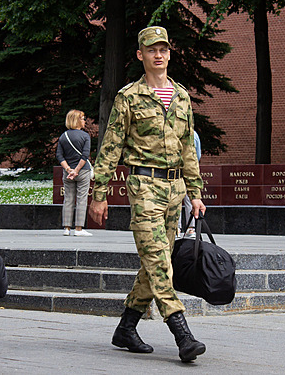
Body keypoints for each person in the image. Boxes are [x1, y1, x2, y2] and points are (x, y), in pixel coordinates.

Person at [88, 26, 207, 363]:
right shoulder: (129, 97)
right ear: (140, 54)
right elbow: (110, 147)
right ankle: (181, 332)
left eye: (164, 49)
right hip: (145, 189)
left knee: (158, 261)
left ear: (170, 53)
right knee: (158, 261)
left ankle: (126, 327)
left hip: (175, 190)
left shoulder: (182, 97)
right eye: (151, 49)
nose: (159, 55)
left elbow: (187, 148)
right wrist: (99, 193)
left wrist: (195, 192)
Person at [55, 109, 92, 237]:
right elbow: (85, 155)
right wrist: (76, 170)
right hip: (82, 171)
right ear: (77, 120)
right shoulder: (85, 136)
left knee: (68, 199)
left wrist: (68, 169)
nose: (84, 121)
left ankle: (66, 228)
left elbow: (59, 155)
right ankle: (78, 229)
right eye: (82, 118)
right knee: (82, 199)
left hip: (68, 173)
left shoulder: (63, 136)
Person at [180, 130, 202, 236]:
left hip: (176, 170)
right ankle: (191, 228)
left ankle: (177, 228)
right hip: (190, 170)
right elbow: (197, 155)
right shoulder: (194, 135)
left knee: (176, 199)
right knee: (190, 200)